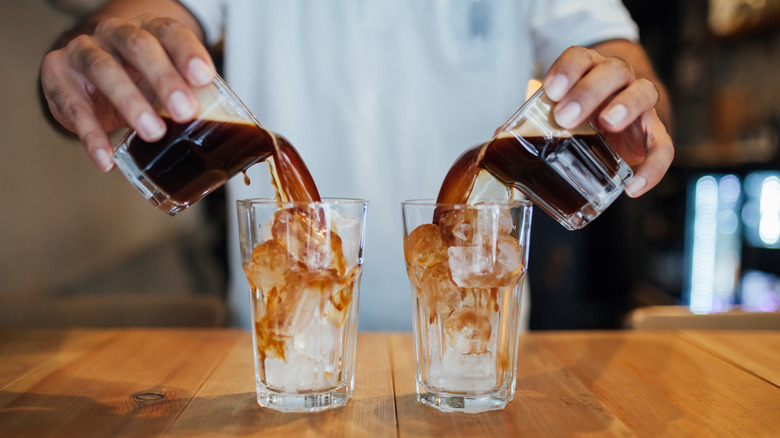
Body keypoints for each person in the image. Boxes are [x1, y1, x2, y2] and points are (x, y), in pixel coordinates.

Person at [40, 0, 673, 330]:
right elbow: (155, 16)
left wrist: (632, 98)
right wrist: (116, 51)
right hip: (271, 359)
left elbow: (619, 54)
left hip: (476, 352)